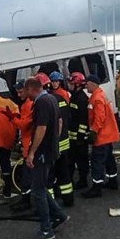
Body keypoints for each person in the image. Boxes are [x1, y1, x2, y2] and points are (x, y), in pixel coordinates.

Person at [24, 77, 69, 239]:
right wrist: (55, 142)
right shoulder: (52, 98)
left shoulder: (41, 102)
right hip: (51, 150)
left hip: (42, 153)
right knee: (41, 188)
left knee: (37, 190)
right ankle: (59, 215)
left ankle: (46, 230)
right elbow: (59, 121)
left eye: (24, 91)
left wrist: (32, 153)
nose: (24, 95)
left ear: (30, 89)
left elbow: (41, 128)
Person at [36, 73, 74, 206]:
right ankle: (68, 199)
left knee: (49, 176)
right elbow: (67, 118)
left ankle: (50, 204)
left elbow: (43, 126)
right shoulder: (60, 98)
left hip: (52, 145)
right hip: (64, 142)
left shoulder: (44, 102)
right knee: (64, 174)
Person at [82, 74, 120, 198]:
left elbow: (99, 117)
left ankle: (96, 187)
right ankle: (113, 181)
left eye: (87, 83)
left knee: (97, 161)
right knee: (108, 158)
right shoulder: (100, 95)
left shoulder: (96, 98)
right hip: (108, 135)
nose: (85, 86)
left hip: (102, 136)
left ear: (93, 84)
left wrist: (93, 132)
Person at [3, 79, 34, 212]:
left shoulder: (29, 105)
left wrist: (13, 118)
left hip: (31, 147)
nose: (18, 94)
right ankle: (27, 199)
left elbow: (24, 125)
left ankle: (27, 201)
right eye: (17, 92)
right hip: (29, 145)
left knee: (28, 177)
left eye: (21, 92)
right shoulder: (27, 104)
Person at [67, 72, 90, 189]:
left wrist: (81, 135)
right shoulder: (74, 97)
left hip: (80, 138)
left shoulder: (81, 99)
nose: (69, 86)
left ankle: (83, 180)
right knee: (72, 160)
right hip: (72, 137)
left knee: (82, 160)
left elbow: (83, 119)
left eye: (71, 84)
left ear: (77, 85)